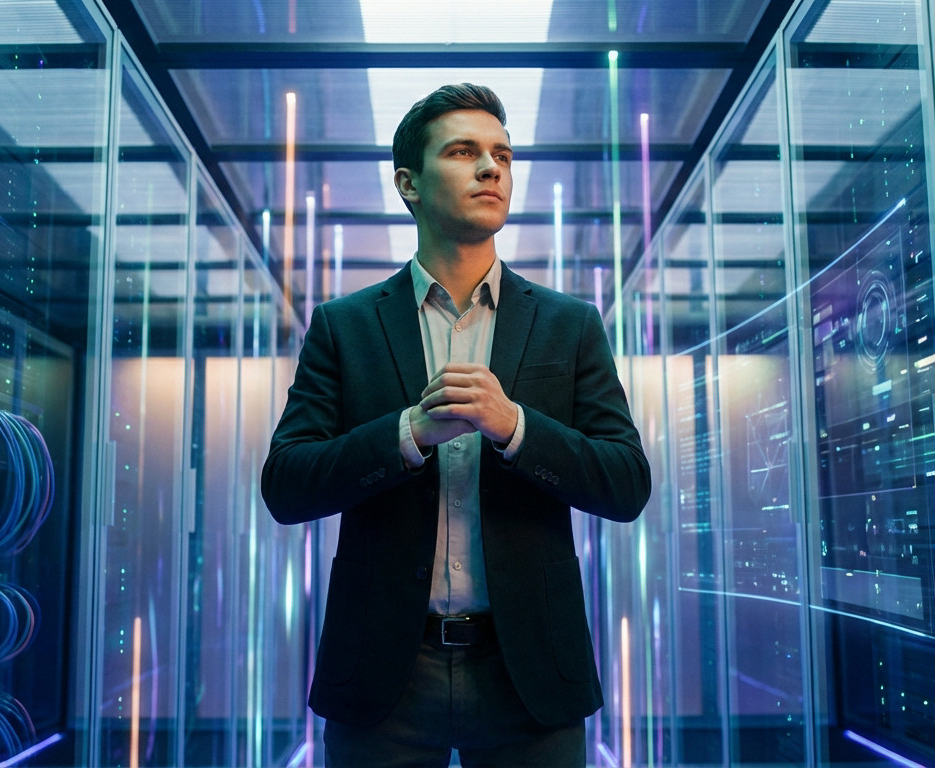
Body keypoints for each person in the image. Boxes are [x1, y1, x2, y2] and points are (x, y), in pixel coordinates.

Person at [261, 82, 651, 767]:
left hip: (530, 670)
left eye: (502, 153)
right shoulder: (344, 326)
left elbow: (626, 484)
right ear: (408, 184)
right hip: (384, 671)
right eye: (465, 151)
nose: (491, 167)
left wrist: (516, 427)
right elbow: (286, 486)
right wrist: (406, 433)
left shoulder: (569, 325)